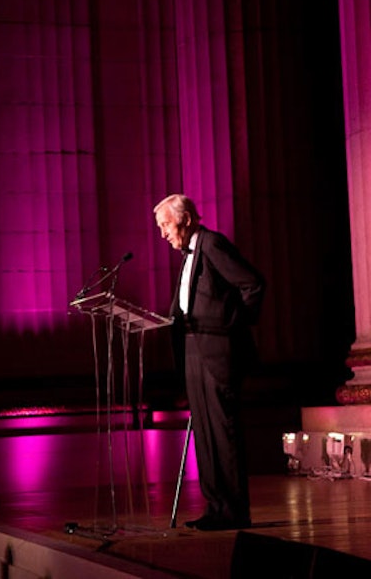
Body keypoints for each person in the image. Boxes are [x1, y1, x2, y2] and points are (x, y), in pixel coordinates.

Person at [154, 193, 265, 531]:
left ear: (185, 219)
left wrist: (230, 329)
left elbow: (253, 284)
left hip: (216, 351)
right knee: (204, 434)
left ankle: (234, 510)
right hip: (191, 349)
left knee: (223, 432)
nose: (163, 234)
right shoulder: (187, 255)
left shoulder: (213, 244)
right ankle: (216, 507)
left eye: (165, 225)